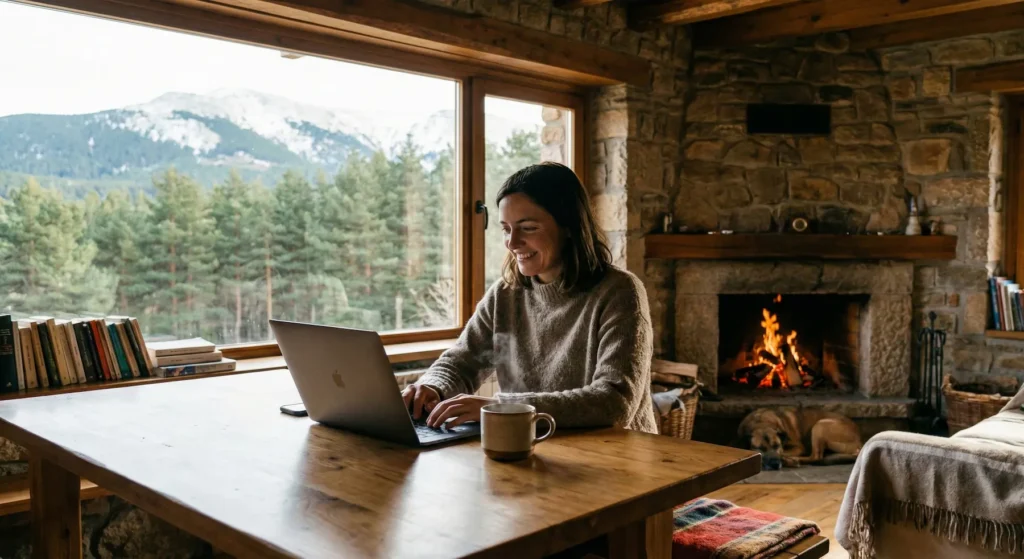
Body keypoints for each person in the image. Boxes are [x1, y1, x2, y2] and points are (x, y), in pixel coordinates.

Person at [401, 162, 657, 434]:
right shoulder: (505, 294)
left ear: (568, 227)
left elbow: (614, 402)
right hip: (532, 445)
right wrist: (431, 386)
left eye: (528, 228)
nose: (512, 243)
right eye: (506, 229)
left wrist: (503, 407)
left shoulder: (620, 292)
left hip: (616, 453)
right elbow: (463, 361)